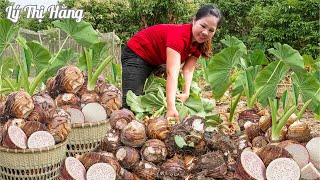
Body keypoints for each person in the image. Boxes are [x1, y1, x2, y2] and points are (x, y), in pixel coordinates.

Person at [121, 4, 222, 121]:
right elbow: (172, 72)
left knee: (154, 95)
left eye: (211, 30)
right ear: (194, 20)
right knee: (130, 106)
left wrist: (186, 93)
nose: (205, 32)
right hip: (137, 53)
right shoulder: (179, 36)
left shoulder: (199, 44)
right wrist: (170, 107)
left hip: (156, 59)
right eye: (203, 26)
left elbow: (188, 70)